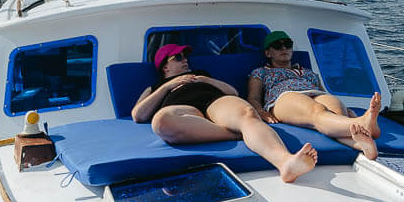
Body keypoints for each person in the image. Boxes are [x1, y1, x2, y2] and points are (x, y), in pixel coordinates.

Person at [132, 43, 318, 182]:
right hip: (183, 109)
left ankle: (285, 162)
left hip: (214, 101)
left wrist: (206, 80)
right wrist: (167, 87)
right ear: (165, 67)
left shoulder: (201, 73)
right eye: (178, 58)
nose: (185, 60)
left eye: (185, 56)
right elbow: (138, 115)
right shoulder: (155, 87)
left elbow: (233, 92)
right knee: (161, 121)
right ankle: (242, 133)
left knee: (247, 113)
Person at [247, 30, 384, 159]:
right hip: (283, 96)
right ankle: (363, 123)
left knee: (336, 112)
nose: (284, 49)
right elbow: (253, 97)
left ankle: (361, 145)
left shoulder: (308, 73)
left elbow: (322, 91)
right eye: (277, 46)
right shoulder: (261, 72)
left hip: (315, 93)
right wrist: (260, 111)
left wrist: (346, 110)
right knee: (318, 110)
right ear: (268, 53)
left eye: (287, 45)